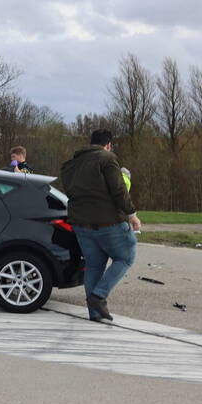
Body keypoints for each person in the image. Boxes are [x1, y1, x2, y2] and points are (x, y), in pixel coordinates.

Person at [59, 129, 141, 323]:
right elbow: (119, 190)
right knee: (126, 257)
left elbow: (70, 191)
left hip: (80, 223)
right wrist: (132, 214)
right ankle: (99, 296)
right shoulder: (107, 158)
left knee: (94, 265)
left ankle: (95, 313)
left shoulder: (70, 164)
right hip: (108, 222)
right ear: (108, 145)